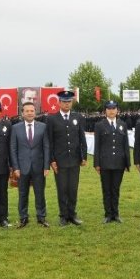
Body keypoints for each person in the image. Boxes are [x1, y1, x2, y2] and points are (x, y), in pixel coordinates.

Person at [47, 90, 87, 226]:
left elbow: (82, 138)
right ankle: (63, 216)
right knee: (62, 188)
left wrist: (84, 156)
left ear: (72, 102)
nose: (66, 104)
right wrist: (52, 160)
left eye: (69, 101)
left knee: (73, 188)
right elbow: (50, 142)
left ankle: (72, 214)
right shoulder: (52, 119)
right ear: (59, 103)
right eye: (64, 102)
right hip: (60, 161)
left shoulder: (78, 117)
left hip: (75, 159)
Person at [10, 102, 50, 228]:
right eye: (27, 111)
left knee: (40, 193)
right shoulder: (15, 128)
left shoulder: (43, 127)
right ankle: (23, 218)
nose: (29, 113)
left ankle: (41, 217)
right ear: (22, 113)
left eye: (32, 110)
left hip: (39, 167)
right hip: (22, 168)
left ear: (35, 112)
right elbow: (13, 149)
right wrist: (15, 167)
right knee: (22, 194)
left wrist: (46, 166)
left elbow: (46, 147)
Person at [93, 100, 130, 223]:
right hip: (105, 163)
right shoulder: (99, 125)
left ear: (117, 110)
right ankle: (108, 214)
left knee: (115, 189)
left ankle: (116, 214)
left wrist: (127, 163)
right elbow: (97, 146)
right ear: (105, 111)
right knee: (106, 189)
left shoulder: (122, 124)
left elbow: (125, 145)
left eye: (114, 108)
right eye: (109, 109)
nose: (112, 111)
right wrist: (97, 163)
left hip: (119, 163)